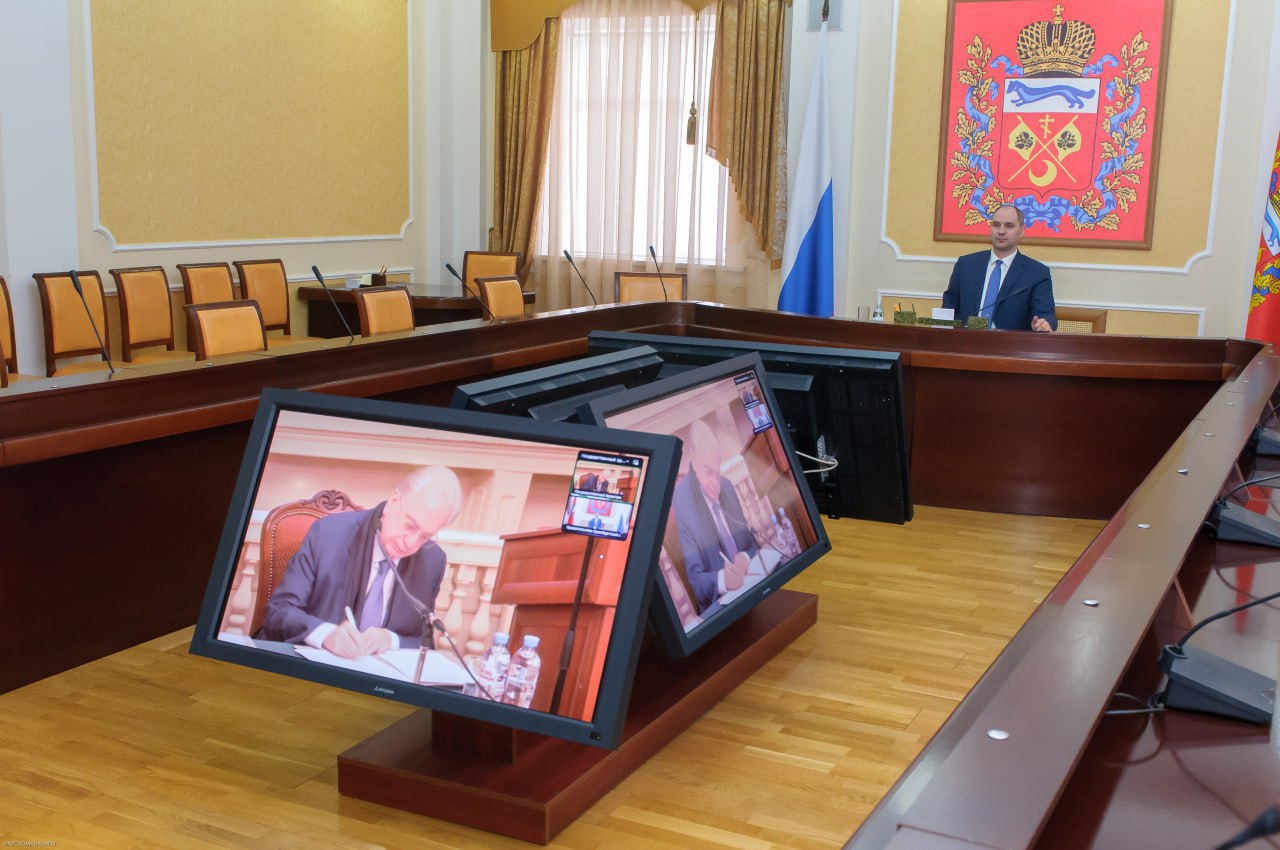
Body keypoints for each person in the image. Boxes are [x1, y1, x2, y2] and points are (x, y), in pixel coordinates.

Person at [256, 466, 464, 659]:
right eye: (410, 525)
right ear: (394, 501)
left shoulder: (432, 560)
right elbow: (280, 611)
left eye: (426, 536)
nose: (411, 543)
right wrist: (325, 634)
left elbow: (424, 642)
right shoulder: (328, 534)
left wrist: (391, 640)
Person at [671, 419, 759, 614]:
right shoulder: (682, 502)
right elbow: (696, 583)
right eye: (708, 472)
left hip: (751, 589)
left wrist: (744, 557)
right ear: (693, 457)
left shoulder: (726, 486)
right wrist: (723, 579)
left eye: (717, 473)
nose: (715, 484)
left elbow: (752, 542)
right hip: (721, 606)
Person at [942, 203, 1056, 332]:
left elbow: (1045, 314)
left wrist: (1042, 323)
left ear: (1021, 231)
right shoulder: (966, 265)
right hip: (965, 340)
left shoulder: (1037, 273)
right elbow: (948, 308)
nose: (1001, 231)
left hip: (1010, 343)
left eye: (1009, 226)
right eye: (996, 225)